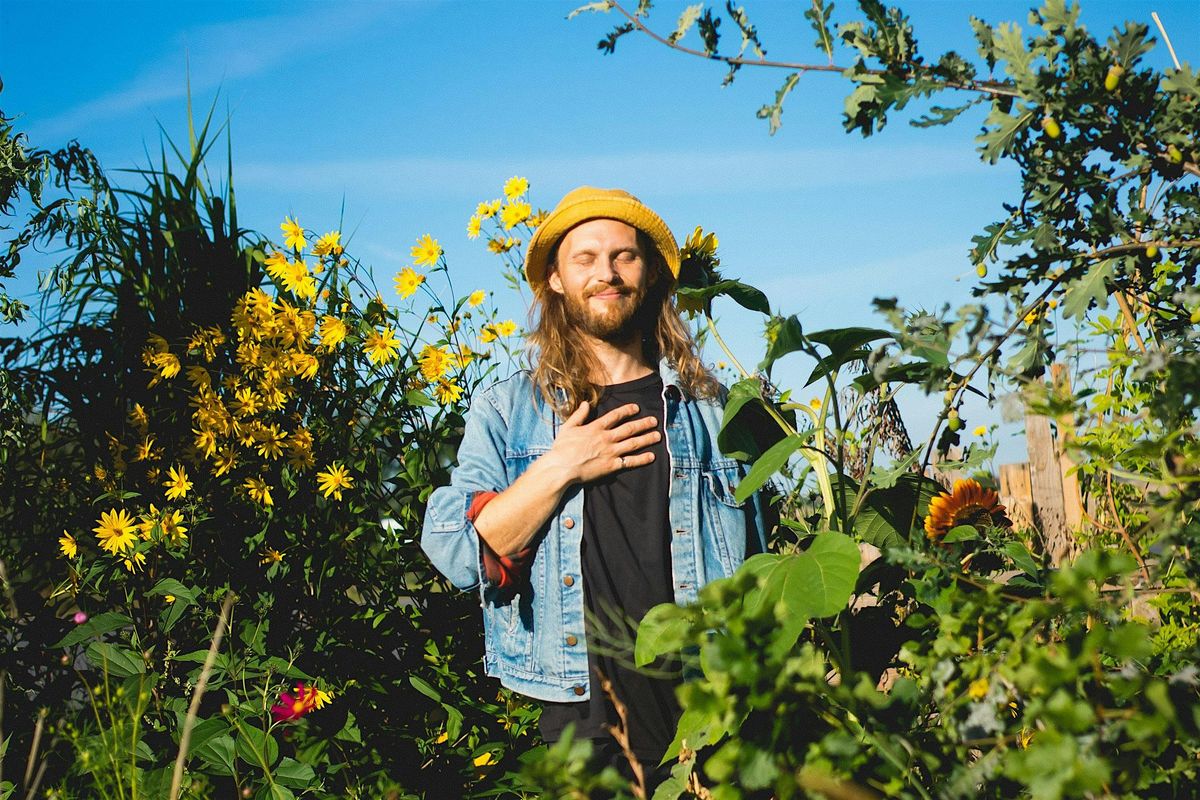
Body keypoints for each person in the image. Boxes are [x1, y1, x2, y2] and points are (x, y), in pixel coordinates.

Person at [420, 186, 772, 782]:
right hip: (585, 715)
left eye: (623, 256)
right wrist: (563, 465)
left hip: (715, 703)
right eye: (584, 258)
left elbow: (763, 561)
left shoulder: (713, 410)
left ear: (651, 274)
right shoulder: (508, 411)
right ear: (555, 280)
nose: (605, 273)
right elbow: (461, 550)